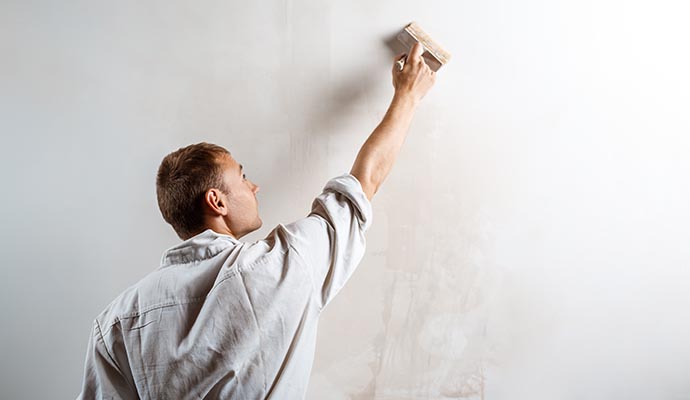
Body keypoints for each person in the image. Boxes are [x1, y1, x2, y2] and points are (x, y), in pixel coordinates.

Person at [77, 42, 436, 399]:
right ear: (216, 201)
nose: (255, 186)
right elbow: (362, 183)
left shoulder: (116, 323)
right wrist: (407, 96)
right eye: (242, 176)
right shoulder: (278, 268)